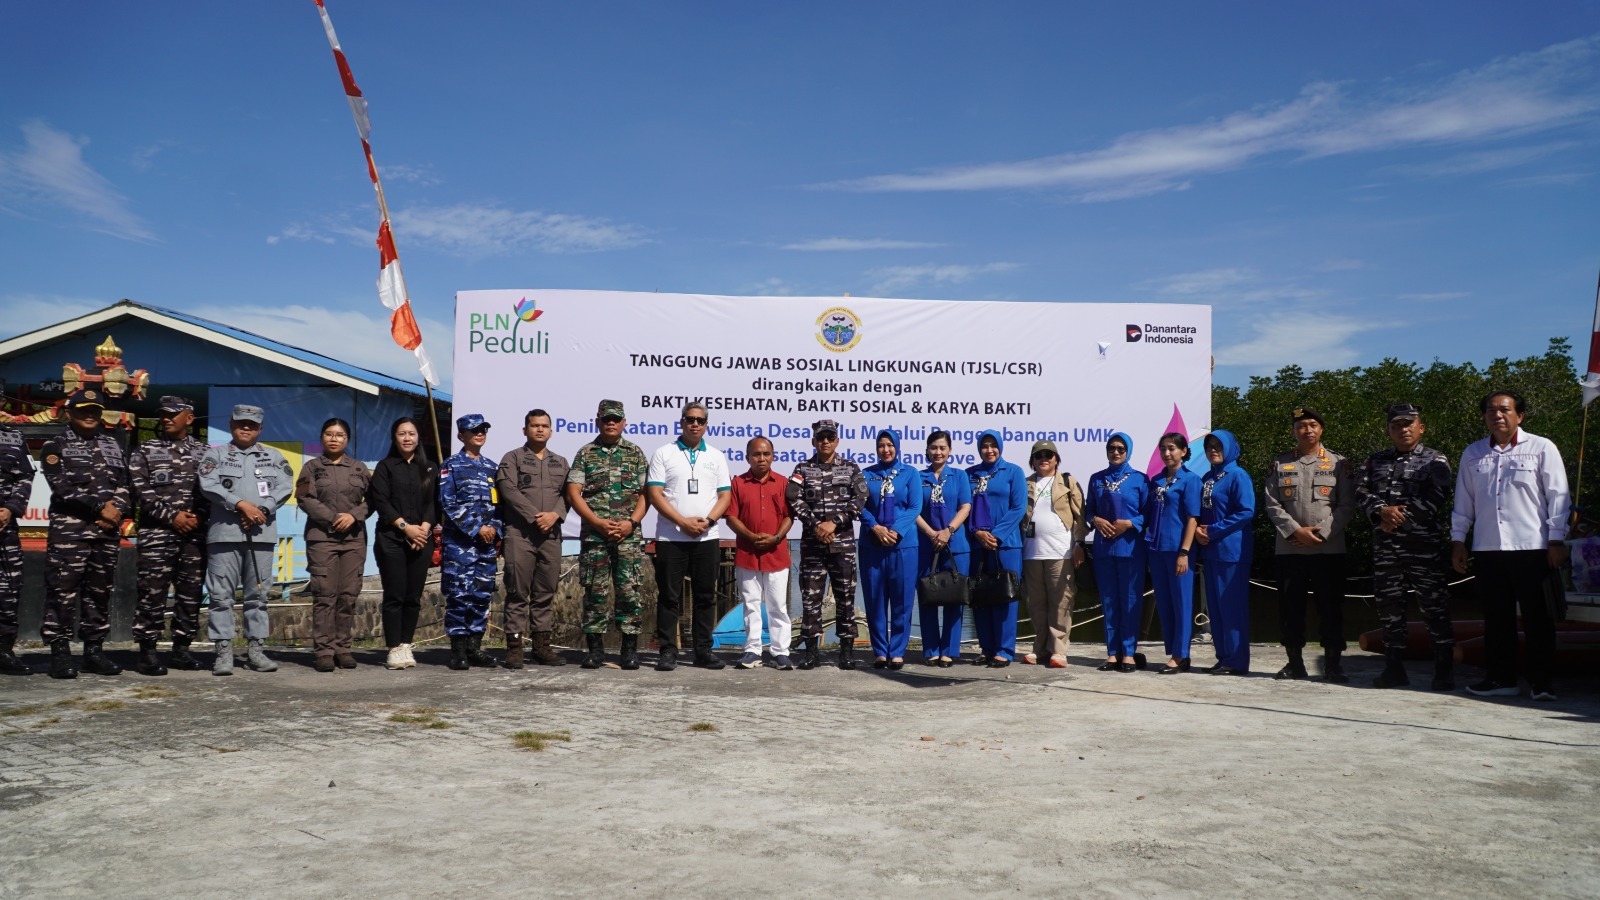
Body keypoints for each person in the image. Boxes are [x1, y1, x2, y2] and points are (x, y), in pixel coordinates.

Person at [1452, 390, 1570, 701]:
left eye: (1504, 410)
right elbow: (1464, 503)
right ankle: (1501, 679)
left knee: (1538, 617)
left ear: (1520, 415)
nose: (1497, 415)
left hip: (1533, 547)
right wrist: (1458, 541)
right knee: (1496, 618)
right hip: (1488, 548)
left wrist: (1556, 539)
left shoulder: (1541, 448)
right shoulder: (1473, 453)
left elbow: (1558, 496)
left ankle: (1541, 682)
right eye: (1491, 410)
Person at [1357, 403, 1456, 690]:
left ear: (1421, 428)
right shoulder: (1375, 460)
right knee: (1389, 607)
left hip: (1423, 546)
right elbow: (1360, 490)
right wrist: (1380, 512)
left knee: (1434, 607)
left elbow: (1438, 495)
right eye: (1396, 425)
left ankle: (1444, 670)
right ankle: (1394, 668)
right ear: (1388, 430)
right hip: (1386, 547)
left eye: (1409, 423)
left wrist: (1400, 519)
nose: (1403, 429)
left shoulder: (1435, 459)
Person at [39, 390, 131, 679]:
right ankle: (60, 653)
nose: (90, 415)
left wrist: (116, 510)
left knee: (99, 593)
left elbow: (125, 483)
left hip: (105, 533)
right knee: (62, 592)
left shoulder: (112, 444)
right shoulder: (55, 445)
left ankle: (94, 652)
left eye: (95, 410)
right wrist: (99, 508)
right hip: (71, 532)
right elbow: (61, 486)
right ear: (70, 413)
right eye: (83, 410)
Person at [1262, 406, 1356, 683]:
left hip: (1329, 549)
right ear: (1294, 431)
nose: (1308, 430)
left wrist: (1323, 533)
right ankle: (1294, 663)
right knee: (1290, 608)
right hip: (1291, 549)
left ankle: (1333, 665)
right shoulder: (1280, 464)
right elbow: (1272, 503)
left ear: (1321, 429)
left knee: (1331, 607)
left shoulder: (1339, 463)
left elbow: (1347, 504)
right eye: (1302, 426)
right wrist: (1295, 531)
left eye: (1313, 425)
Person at [199, 403, 293, 676]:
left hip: (261, 535)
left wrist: (261, 509)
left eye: (251, 425)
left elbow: (285, 487)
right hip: (224, 535)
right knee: (220, 596)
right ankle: (223, 653)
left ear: (260, 428)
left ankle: (256, 651)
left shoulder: (273, 456)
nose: (246, 428)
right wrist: (240, 504)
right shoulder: (215, 454)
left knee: (258, 596)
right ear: (231, 425)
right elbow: (208, 484)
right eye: (240, 423)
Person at [646, 403, 733, 670]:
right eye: (690, 419)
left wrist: (708, 521)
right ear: (681, 422)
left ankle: (703, 651)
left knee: (706, 596)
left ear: (706, 424)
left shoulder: (716, 456)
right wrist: (682, 522)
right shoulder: (664, 453)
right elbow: (655, 494)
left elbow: (725, 496)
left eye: (700, 420)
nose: (695, 424)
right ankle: (668, 651)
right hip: (671, 537)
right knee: (669, 597)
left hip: (706, 537)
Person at [127, 395, 208, 676]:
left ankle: (181, 649)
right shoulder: (145, 450)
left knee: (190, 593)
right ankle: (147, 652)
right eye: (163, 414)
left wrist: (200, 516)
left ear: (189, 418)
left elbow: (215, 490)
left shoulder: (206, 452)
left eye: (173, 414)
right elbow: (140, 490)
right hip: (157, 534)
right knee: (152, 592)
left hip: (194, 535)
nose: (166, 418)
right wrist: (172, 516)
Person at [565, 399, 650, 670]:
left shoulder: (635, 453)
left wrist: (631, 523)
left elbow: (646, 494)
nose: (610, 423)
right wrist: (596, 522)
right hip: (595, 537)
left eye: (615, 419)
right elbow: (574, 493)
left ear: (624, 422)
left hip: (628, 537)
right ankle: (595, 651)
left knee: (629, 592)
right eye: (606, 419)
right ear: (597, 422)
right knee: (595, 592)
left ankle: (629, 650)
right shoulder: (586, 453)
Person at [787, 419, 867, 670]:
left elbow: (860, 499)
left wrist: (834, 523)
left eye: (830, 437)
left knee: (845, 599)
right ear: (813, 441)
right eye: (821, 437)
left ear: (837, 441)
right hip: (813, 545)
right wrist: (816, 526)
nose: (825, 441)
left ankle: (846, 653)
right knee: (811, 599)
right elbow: (793, 498)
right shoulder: (802, 468)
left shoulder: (851, 468)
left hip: (842, 545)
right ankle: (812, 653)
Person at [296, 418, 372, 673]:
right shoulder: (312, 467)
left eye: (339, 435)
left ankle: (343, 648)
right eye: (329, 434)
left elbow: (374, 499)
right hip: (322, 538)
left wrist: (354, 516)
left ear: (347, 439)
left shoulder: (359, 469)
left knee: (348, 595)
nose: (334, 439)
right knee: (324, 595)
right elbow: (305, 498)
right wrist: (333, 518)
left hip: (353, 539)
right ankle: (324, 651)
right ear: (322, 438)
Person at [496, 409, 569, 668]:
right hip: (520, 534)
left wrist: (555, 515)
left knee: (545, 592)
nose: (540, 429)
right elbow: (508, 490)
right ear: (524, 429)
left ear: (551, 430)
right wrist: (535, 517)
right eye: (534, 425)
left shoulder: (561, 462)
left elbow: (569, 494)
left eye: (544, 426)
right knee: (517, 591)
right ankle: (515, 648)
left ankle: (541, 647)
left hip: (551, 535)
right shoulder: (512, 458)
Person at [370, 417, 437, 671]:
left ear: (418, 438)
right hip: (392, 539)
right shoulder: (385, 467)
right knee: (395, 594)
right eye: (402, 433)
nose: (407, 438)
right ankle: (393, 647)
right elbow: (382, 502)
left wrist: (423, 530)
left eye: (411, 433)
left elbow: (433, 503)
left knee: (413, 596)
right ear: (394, 437)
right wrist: (406, 528)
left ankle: (406, 644)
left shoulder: (429, 468)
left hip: (422, 539)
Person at [439, 413, 502, 671]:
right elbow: (448, 503)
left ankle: (475, 648)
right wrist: (477, 528)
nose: (480, 433)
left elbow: (501, 506)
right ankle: (458, 651)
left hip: (486, 546)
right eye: (474, 430)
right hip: (460, 545)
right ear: (461, 435)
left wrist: (495, 529)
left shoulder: (492, 468)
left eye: (483, 429)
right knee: (458, 595)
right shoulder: (452, 465)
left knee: (481, 595)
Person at [724, 436, 794, 669]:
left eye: (766, 454)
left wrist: (776, 537)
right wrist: (751, 537)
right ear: (747, 457)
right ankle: (753, 650)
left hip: (776, 553)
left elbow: (789, 516)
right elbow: (731, 516)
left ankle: (780, 652)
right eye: (756, 454)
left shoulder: (783, 483)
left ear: (773, 456)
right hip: (748, 552)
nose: (761, 458)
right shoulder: (738, 483)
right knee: (751, 603)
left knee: (777, 605)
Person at [1086, 432, 1149, 673]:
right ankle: (1113, 653)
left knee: (1130, 601)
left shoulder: (1140, 480)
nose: (1115, 452)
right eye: (1111, 448)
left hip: (1131, 549)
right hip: (1104, 549)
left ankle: (1129, 653)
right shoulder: (1096, 478)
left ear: (1128, 451)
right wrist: (1096, 520)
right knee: (1109, 601)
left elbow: (1149, 513)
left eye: (1121, 449)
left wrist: (1129, 523)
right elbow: (1088, 510)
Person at [1020, 440, 1086, 668]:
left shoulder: (1067, 481)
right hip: (1031, 552)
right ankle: (1040, 648)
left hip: (1061, 551)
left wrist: (1079, 544)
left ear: (1056, 459)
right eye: (1039, 456)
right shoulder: (1025, 483)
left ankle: (1058, 650)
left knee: (1061, 601)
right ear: (1032, 460)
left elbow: (1080, 516)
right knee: (1036, 603)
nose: (1044, 459)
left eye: (1049, 455)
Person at [860, 429, 922, 669]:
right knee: (874, 599)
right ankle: (880, 651)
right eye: (881, 445)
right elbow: (859, 506)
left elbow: (915, 506)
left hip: (903, 545)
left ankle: (897, 651)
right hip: (872, 545)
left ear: (897, 446)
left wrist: (896, 530)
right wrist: (875, 527)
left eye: (890, 445)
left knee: (902, 600)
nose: (885, 450)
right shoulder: (867, 474)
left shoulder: (910, 473)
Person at [966, 430, 1027, 667]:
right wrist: (977, 533)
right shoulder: (970, 474)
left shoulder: (1013, 472)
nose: (989, 450)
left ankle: (1004, 650)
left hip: (1006, 545)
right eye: (985, 446)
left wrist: (996, 535)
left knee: (1005, 596)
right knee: (981, 597)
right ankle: (986, 648)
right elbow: (964, 507)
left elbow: (1018, 507)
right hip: (977, 545)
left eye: (993, 445)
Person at [1196, 430, 1255, 676]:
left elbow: (1246, 511)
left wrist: (1213, 530)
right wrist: (1198, 531)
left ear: (1230, 448)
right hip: (1210, 551)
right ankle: (1223, 658)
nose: (1213, 450)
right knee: (1216, 609)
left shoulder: (1238, 475)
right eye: (1209, 446)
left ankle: (1236, 660)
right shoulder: (1208, 477)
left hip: (1231, 552)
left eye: (1218, 446)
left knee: (1232, 608)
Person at [1144, 432, 1201, 674]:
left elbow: (1192, 519)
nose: (1167, 453)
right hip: (1157, 549)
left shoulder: (1191, 480)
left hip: (1179, 550)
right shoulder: (1156, 480)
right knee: (1165, 604)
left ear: (1183, 451)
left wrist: (1184, 552)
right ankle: (1173, 651)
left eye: (1172, 448)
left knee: (1182, 603)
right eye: (1163, 449)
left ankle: (1181, 655)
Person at [915, 431, 971, 667]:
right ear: (927, 450)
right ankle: (931, 650)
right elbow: (913, 509)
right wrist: (931, 533)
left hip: (956, 547)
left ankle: (949, 650)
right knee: (927, 598)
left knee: (954, 599)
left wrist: (948, 531)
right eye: (933, 448)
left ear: (949, 450)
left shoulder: (959, 476)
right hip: (926, 546)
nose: (938, 452)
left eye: (942, 448)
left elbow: (965, 507)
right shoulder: (918, 477)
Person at [0, 420, 33, 676]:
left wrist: (10, 508)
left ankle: (3, 651)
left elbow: (25, 476)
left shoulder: (13, 437)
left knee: (8, 591)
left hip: (5, 526)